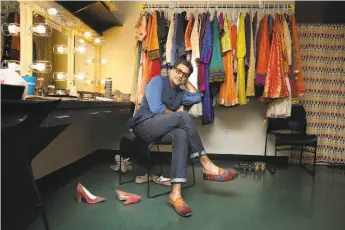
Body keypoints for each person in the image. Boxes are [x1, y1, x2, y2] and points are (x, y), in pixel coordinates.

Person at [128, 59, 239, 217]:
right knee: (183, 117)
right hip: (144, 126)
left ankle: (175, 194)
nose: (180, 76)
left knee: (181, 134)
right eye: (178, 71)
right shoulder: (157, 81)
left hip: (162, 129)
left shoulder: (180, 93)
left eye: (184, 75)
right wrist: (178, 115)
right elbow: (156, 108)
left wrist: (186, 83)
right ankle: (206, 164)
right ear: (172, 70)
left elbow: (197, 97)